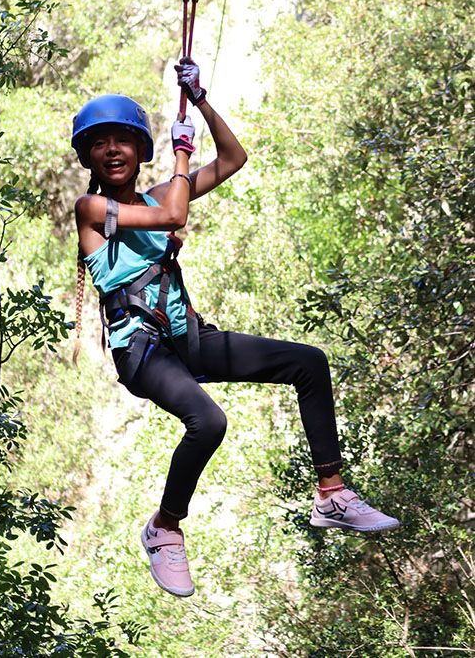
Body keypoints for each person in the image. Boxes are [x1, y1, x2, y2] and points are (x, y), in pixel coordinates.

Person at [73, 59, 399, 599]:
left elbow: (233, 159)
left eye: (123, 141)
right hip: (141, 352)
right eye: (100, 144)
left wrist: (199, 100)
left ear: (137, 151)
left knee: (308, 362)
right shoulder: (92, 207)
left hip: (187, 340)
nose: (112, 150)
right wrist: (182, 154)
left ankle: (332, 493)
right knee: (208, 421)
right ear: (88, 156)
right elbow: (174, 216)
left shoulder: (156, 196)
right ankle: (165, 527)